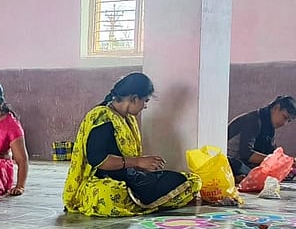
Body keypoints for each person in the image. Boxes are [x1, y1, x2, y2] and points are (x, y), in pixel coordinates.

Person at [62, 72, 201, 217]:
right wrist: (139, 161)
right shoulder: (102, 117)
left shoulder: (128, 119)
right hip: (103, 181)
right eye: (145, 101)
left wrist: (144, 166)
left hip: (132, 178)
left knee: (191, 181)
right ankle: (144, 202)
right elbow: (98, 159)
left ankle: (141, 202)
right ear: (134, 98)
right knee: (109, 195)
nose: (145, 106)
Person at [227, 95, 296, 179]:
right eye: (285, 117)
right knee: (243, 168)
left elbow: (272, 152)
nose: (284, 123)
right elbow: (246, 154)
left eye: (288, 121)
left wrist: (288, 161)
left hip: (245, 164)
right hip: (229, 161)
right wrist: (277, 161)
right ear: (276, 108)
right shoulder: (253, 120)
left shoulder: (269, 127)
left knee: (273, 172)